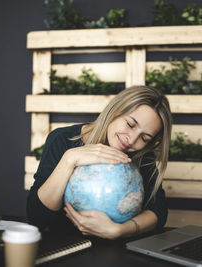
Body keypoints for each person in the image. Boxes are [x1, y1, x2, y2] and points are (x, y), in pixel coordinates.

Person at [27, 85, 173, 239]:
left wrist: (120, 230)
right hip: (64, 247)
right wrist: (69, 159)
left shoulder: (143, 155)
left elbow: (159, 212)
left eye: (145, 138)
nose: (131, 139)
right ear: (115, 110)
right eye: (130, 124)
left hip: (116, 251)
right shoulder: (62, 139)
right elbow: (37, 218)